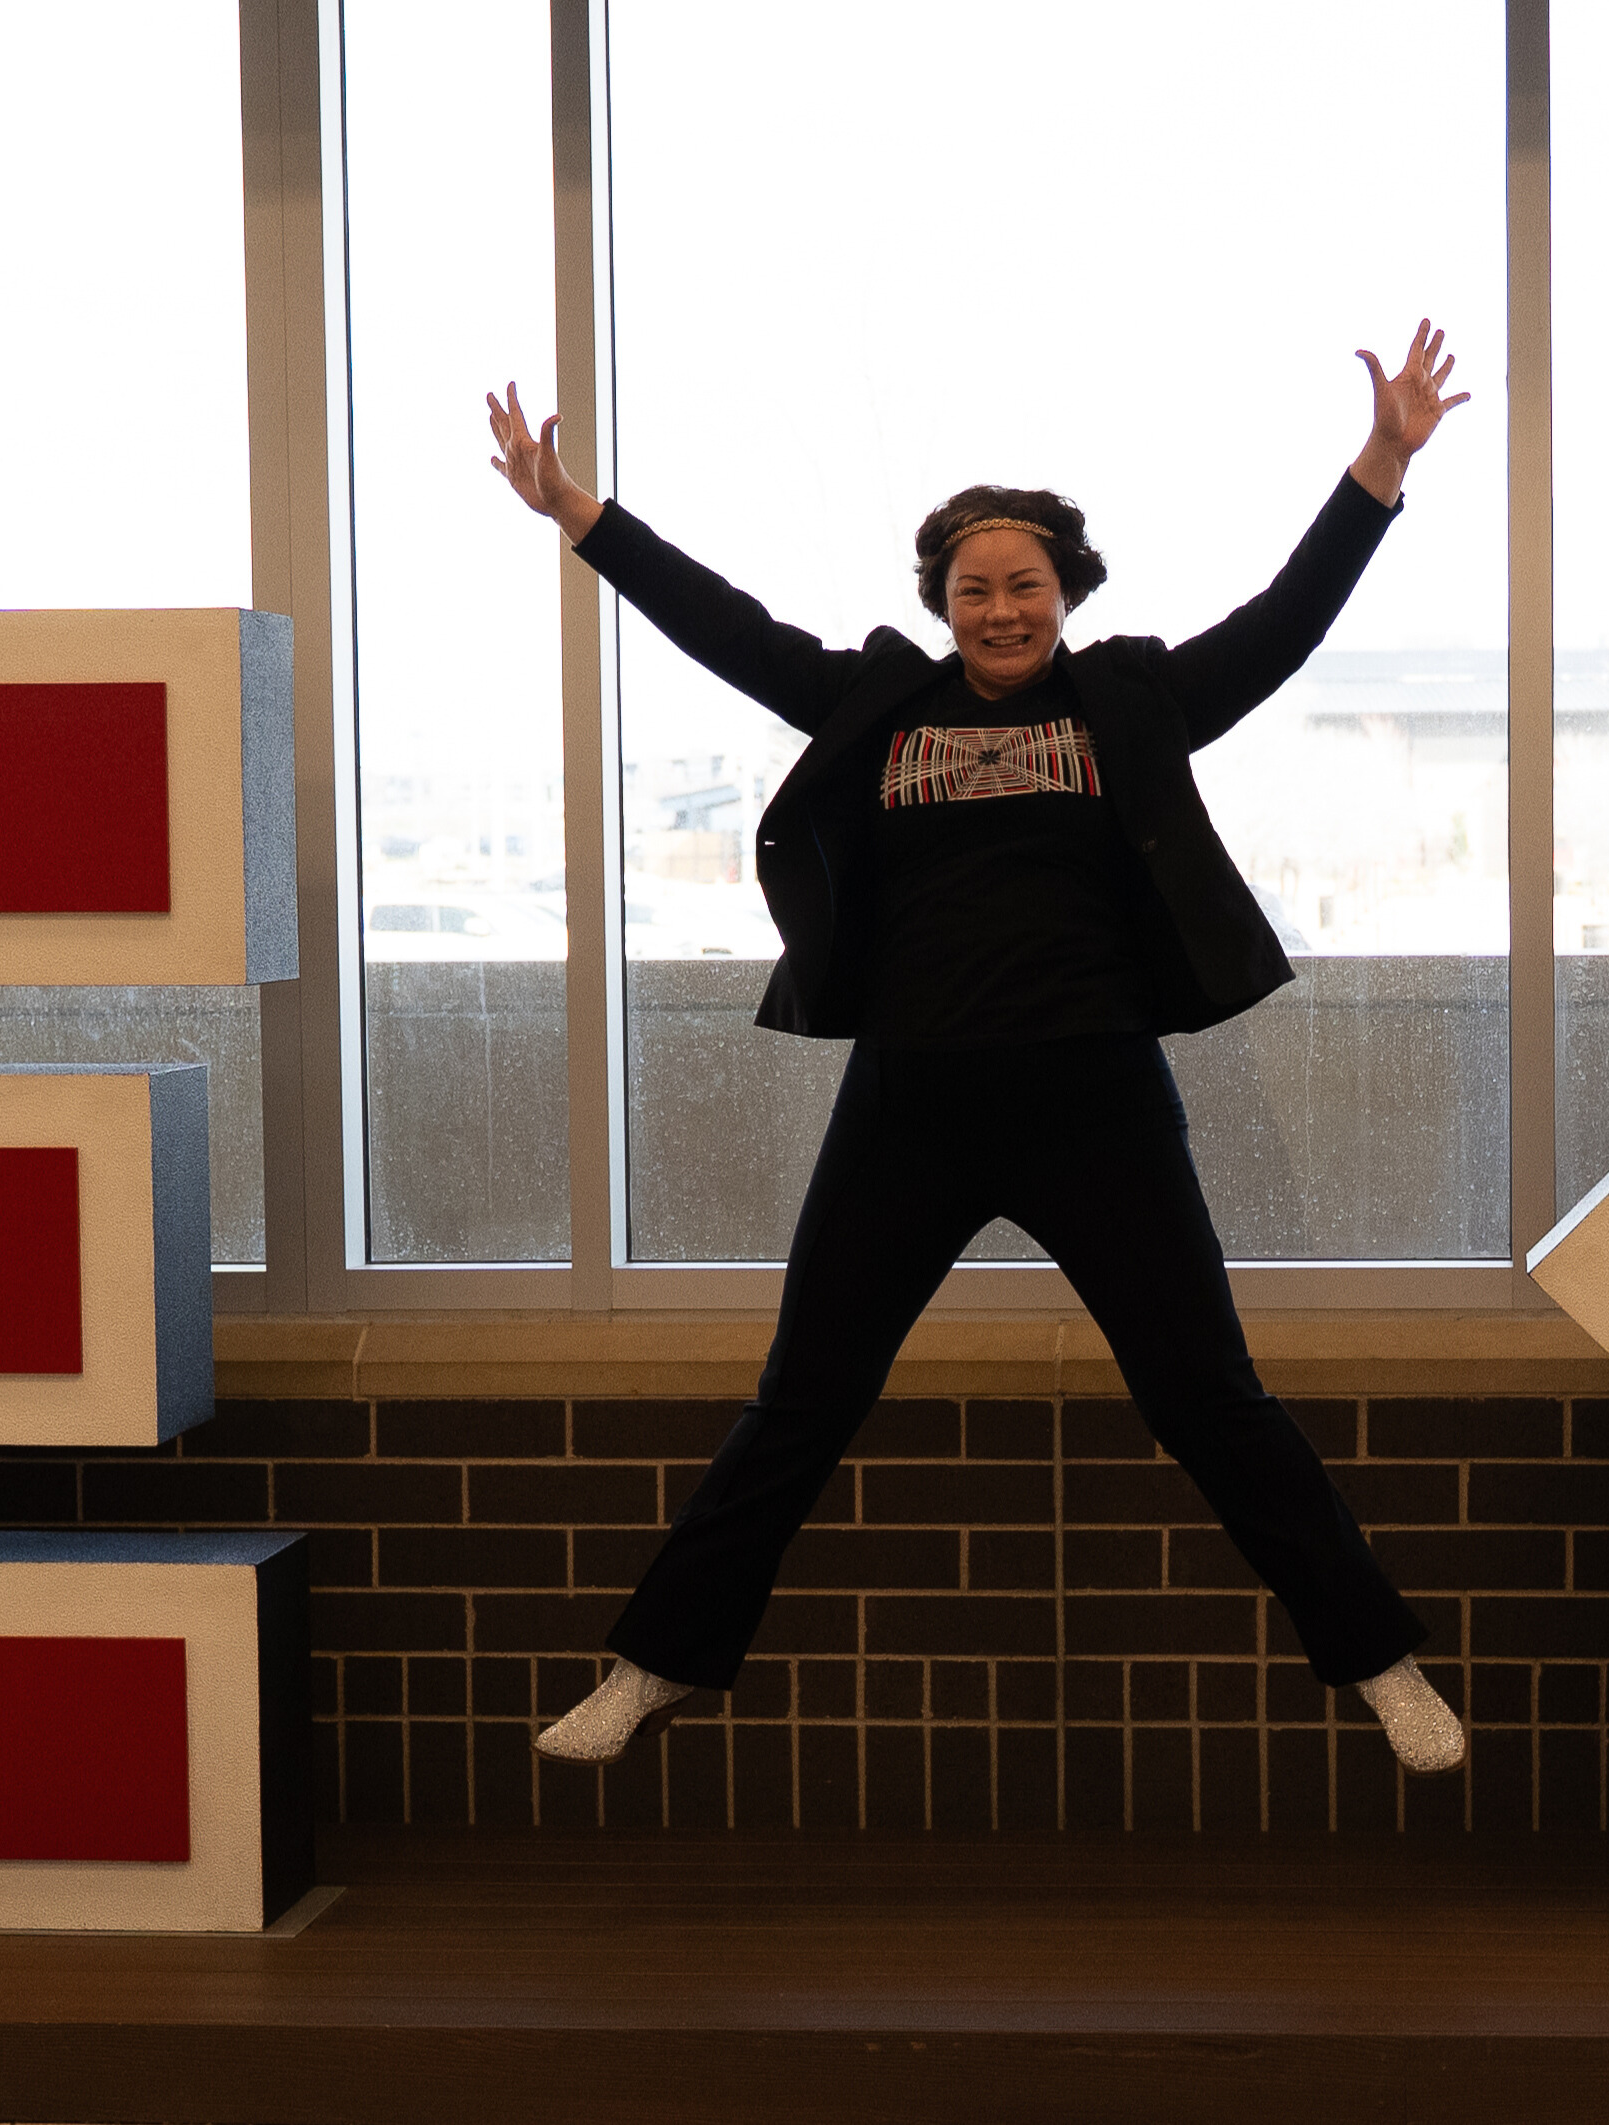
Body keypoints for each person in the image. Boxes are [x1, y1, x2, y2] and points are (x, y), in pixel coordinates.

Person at [479, 324, 1480, 1776]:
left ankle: (1380, 1661)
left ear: (1066, 593)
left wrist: (1381, 464)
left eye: (1024, 586)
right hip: (912, 1101)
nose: (999, 610)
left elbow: (1285, 622)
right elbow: (726, 622)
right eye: (972, 590)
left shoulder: (1129, 702)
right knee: (801, 1401)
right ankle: (651, 1668)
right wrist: (581, 514)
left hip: (1098, 1101)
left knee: (1210, 1399)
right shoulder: (883, 703)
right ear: (941, 604)